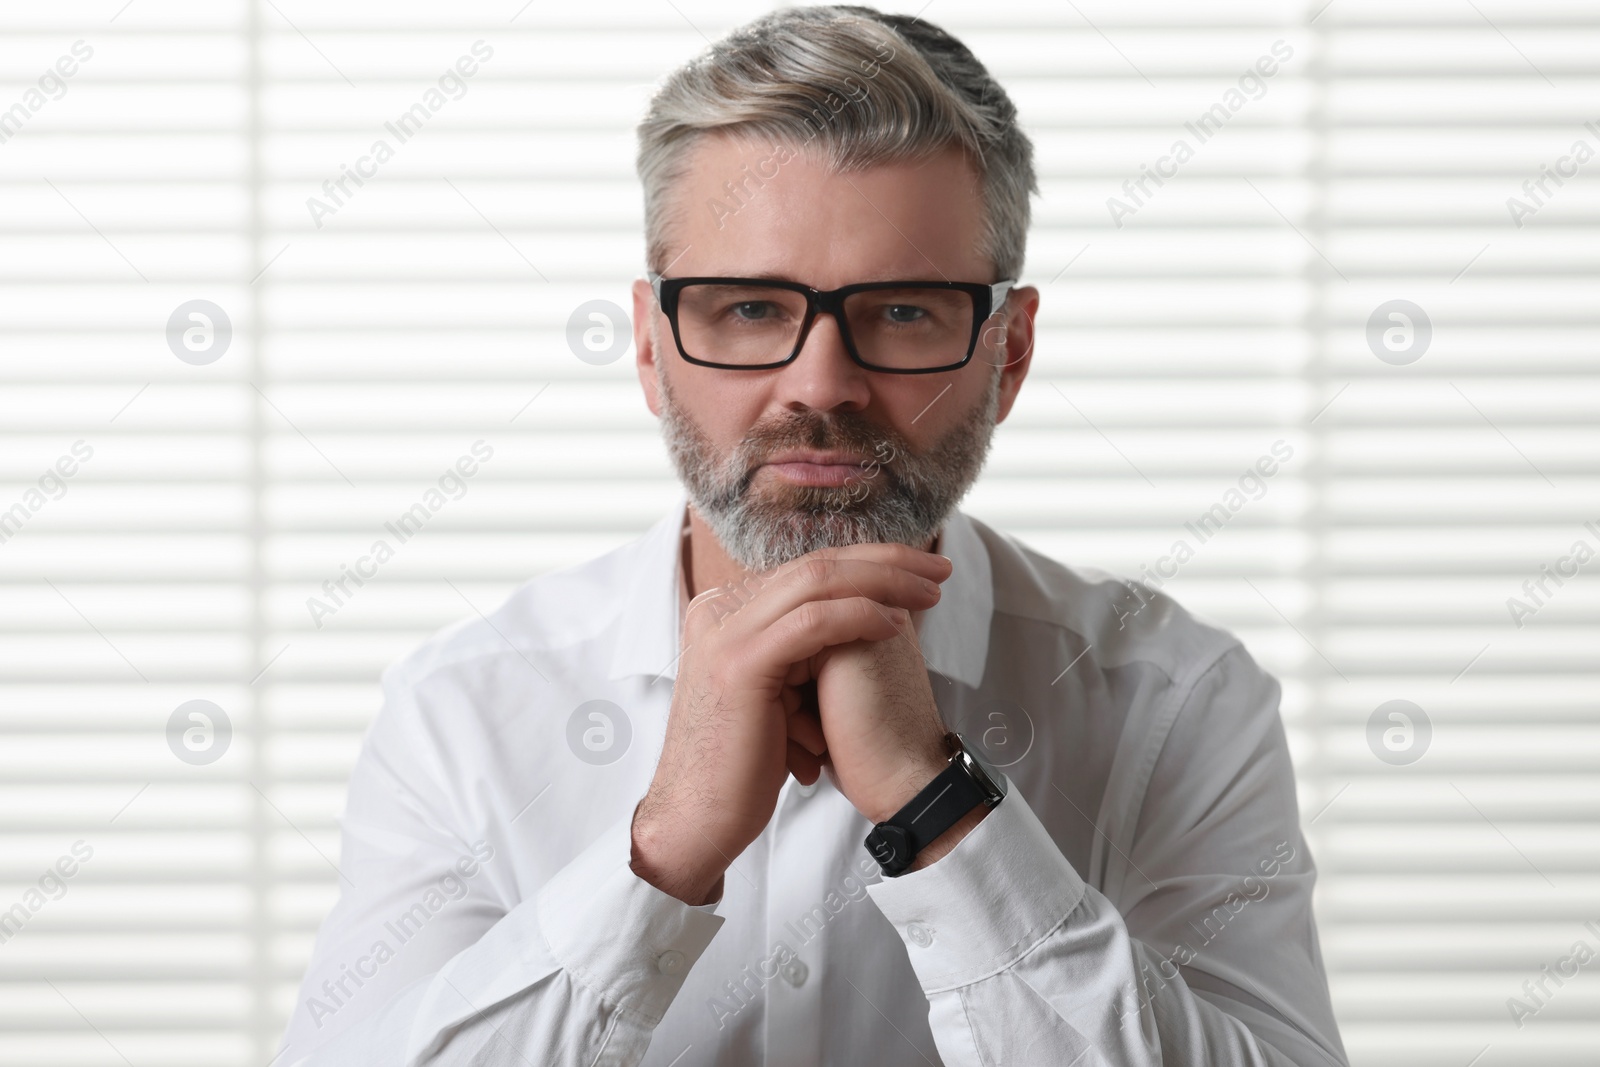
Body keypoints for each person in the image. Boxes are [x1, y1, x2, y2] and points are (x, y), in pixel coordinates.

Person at [281, 6, 1347, 1065]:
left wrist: (940, 805)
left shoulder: (1175, 699)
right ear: (653, 351)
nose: (820, 384)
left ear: (1008, 355)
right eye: (747, 309)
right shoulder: (462, 713)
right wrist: (661, 849)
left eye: (903, 311)